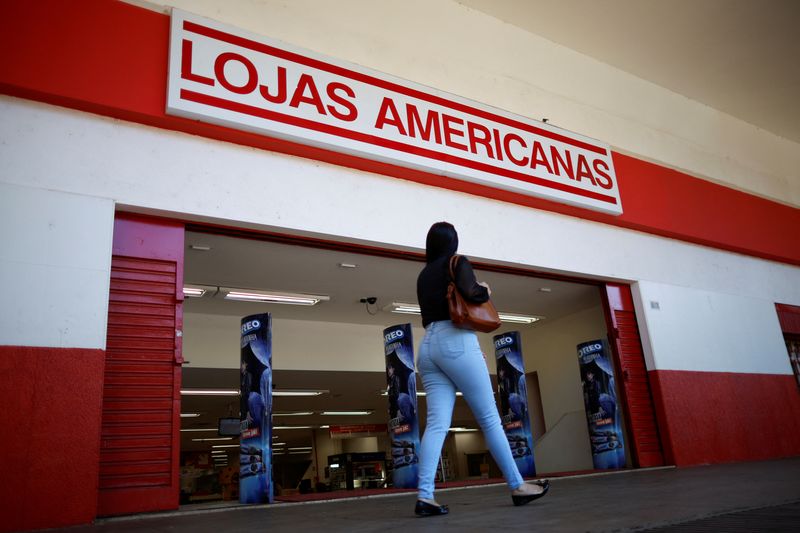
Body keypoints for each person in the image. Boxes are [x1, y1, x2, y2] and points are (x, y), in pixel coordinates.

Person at [414, 221, 549, 517]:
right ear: (453, 242)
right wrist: (484, 288)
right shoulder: (457, 262)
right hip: (456, 342)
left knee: (436, 424)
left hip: (427, 346)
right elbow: (472, 294)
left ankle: (425, 496)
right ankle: (518, 485)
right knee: (489, 418)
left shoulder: (423, 275)